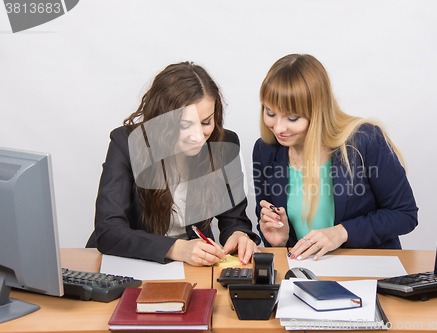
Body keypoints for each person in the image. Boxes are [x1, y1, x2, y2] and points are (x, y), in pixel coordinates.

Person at [88, 61, 260, 266]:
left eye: (206, 122)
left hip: (192, 269)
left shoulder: (223, 144)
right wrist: (177, 248)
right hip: (131, 263)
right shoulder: (126, 143)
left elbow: (234, 219)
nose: (198, 135)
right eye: (185, 125)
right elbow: (109, 231)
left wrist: (239, 235)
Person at [253, 54, 418, 261]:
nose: (278, 128)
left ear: (318, 111)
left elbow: (405, 214)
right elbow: (271, 230)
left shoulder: (365, 140)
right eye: (270, 113)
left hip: (365, 268)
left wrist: (341, 232)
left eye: (292, 117)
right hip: (304, 273)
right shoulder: (265, 150)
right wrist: (278, 241)